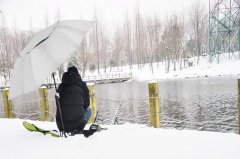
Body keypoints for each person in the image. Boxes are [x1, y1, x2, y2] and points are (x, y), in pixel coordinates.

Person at [56, 66, 91, 135]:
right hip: (78, 124)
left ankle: (67, 128)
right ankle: (78, 130)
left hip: (62, 125)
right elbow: (87, 104)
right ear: (77, 74)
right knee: (88, 110)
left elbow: (58, 104)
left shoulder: (61, 86)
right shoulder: (82, 85)